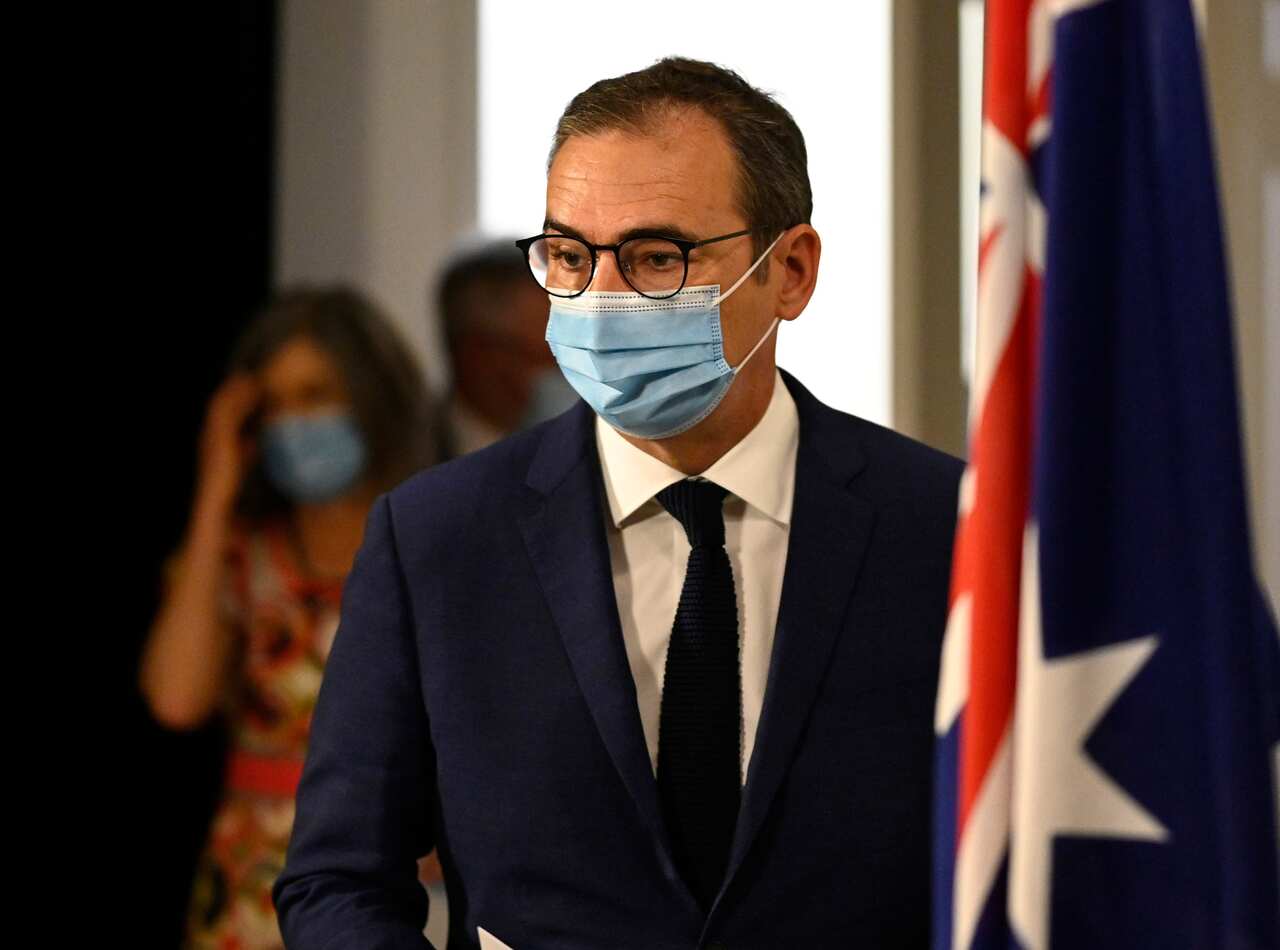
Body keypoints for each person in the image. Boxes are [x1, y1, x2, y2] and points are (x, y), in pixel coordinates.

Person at [274, 58, 964, 948]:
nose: (601, 298)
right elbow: (338, 878)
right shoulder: (439, 539)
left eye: (655, 258)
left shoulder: (949, 530)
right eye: (568, 255)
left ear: (789, 271)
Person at [138, 286, 439, 949]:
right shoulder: (242, 556)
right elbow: (177, 699)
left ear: (372, 397)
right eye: (273, 405)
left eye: (316, 395)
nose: (294, 424)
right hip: (252, 889)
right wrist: (216, 489)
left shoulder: (438, 541)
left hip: (404, 884)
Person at [435, 237, 578, 460]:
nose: (566, 371)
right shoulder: (402, 458)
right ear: (479, 354)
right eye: (549, 353)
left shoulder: (574, 455)